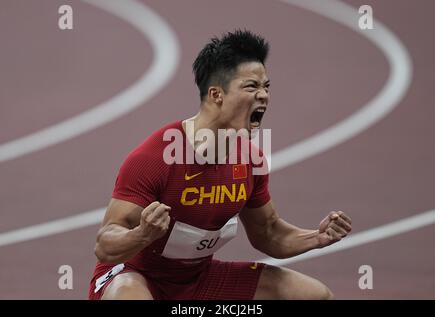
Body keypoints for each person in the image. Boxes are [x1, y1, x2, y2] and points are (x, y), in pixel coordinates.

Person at [88, 30, 352, 300]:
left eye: (266, 87)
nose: (263, 96)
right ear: (216, 94)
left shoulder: (251, 160)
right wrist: (142, 235)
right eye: (251, 87)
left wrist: (317, 238)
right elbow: (105, 245)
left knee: (315, 296)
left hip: (197, 281)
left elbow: (268, 232)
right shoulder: (155, 158)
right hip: (135, 276)